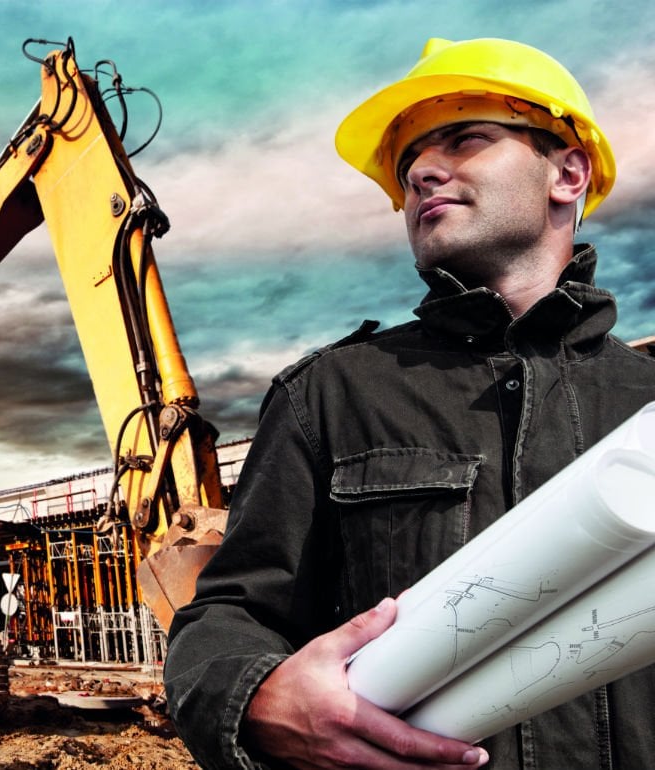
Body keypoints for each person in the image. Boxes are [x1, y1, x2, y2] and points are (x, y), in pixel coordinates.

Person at [164, 37, 655, 770]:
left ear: (568, 171)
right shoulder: (330, 395)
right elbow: (230, 614)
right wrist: (259, 698)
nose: (423, 171)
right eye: (409, 164)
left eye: (467, 137)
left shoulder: (643, 401)